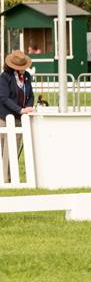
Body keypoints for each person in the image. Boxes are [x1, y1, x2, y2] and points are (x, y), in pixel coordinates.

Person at [0, 50, 36, 183]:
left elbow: (30, 95)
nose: (23, 69)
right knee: (6, 150)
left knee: (14, 149)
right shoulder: (4, 77)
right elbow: (4, 98)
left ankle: (11, 177)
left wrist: (29, 108)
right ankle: (5, 179)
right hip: (5, 117)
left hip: (20, 118)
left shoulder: (27, 76)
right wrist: (20, 109)